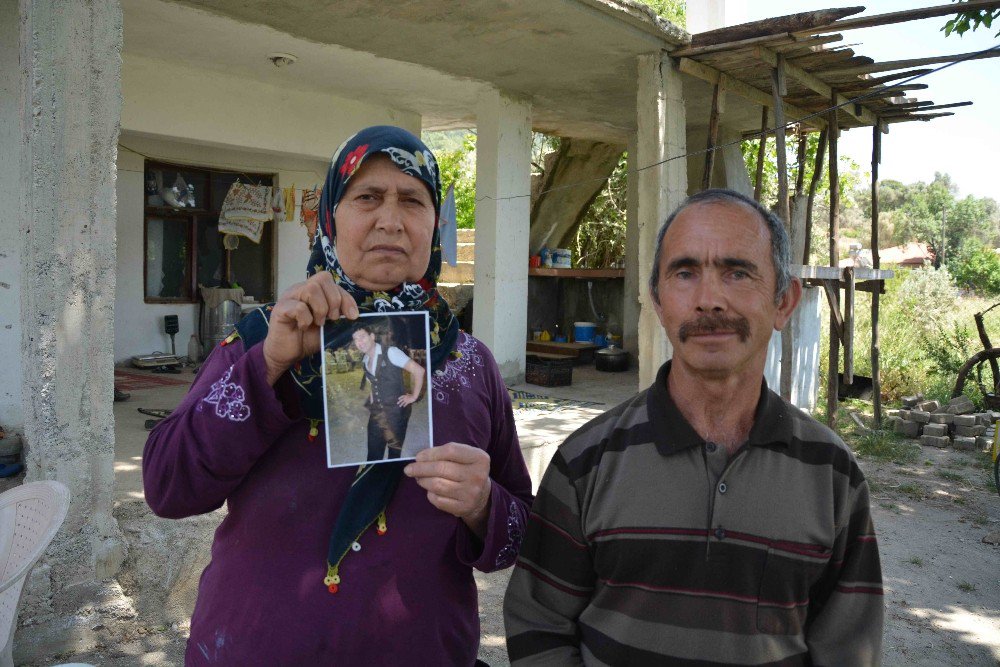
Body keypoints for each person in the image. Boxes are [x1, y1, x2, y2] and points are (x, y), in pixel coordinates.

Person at [143, 125, 533, 665]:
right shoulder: (261, 339)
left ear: (434, 225)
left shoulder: (470, 365)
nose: (390, 220)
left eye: (413, 201)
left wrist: (484, 505)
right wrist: (272, 365)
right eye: (367, 197)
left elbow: (521, 533)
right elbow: (168, 488)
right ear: (330, 216)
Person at [504, 189, 883, 665]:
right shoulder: (585, 462)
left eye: (737, 272)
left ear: (784, 301)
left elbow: (849, 649)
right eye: (685, 273)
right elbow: (539, 624)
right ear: (659, 303)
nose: (708, 300)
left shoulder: (832, 475)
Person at [351, 323, 425, 460]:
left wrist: (414, 396)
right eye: (355, 339)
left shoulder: (391, 352)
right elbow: (373, 384)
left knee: (394, 451)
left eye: (362, 337)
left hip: (397, 412)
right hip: (377, 414)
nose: (359, 342)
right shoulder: (365, 360)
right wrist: (373, 405)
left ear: (372, 336)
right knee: (373, 452)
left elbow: (419, 371)